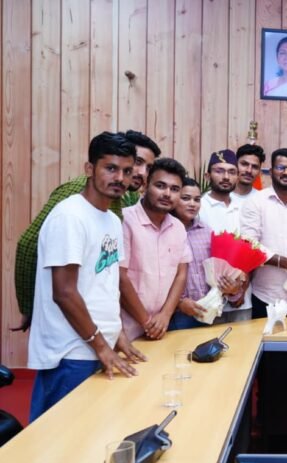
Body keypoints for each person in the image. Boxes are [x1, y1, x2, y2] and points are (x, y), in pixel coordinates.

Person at [27, 132, 146, 422]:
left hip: (97, 346)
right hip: (71, 352)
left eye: (126, 171)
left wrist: (116, 333)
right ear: (89, 169)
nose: (119, 178)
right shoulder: (69, 216)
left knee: (93, 434)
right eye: (111, 168)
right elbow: (64, 292)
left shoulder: (112, 220)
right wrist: (101, 345)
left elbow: (104, 283)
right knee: (58, 438)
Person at [14, 130, 160, 329]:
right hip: (68, 321)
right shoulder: (75, 192)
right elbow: (28, 244)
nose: (141, 172)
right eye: (138, 162)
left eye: (148, 167)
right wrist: (29, 307)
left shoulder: (128, 195)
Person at [119, 158, 192, 341]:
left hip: (161, 328)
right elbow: (120, 278)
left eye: (174, 189)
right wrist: (147, 321)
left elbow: (181, 274)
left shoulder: (177, 227)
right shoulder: (124, 220)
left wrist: (165, 315)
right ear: (145, 186)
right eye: (160, 186)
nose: (167, 194)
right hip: (123, 332)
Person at [240, 148, 287, 317]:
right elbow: (249, 245)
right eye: (281, 168)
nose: (286, 173)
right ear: (270, 171)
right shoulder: (256, 202)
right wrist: (285, 263)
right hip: (265, 296)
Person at [168, 178, 244, 330]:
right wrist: (179, 303)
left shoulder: (206, 232)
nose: (192, 204)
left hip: (208, 312)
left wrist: (233, 288)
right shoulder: (164, 231)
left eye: (197, 199)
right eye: (186, 198)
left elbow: (220, 273)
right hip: (174, 314)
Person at [199, 149, 252, 322]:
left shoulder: (246, 208)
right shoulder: (198, 207)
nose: (226, 177)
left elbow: (252, 250)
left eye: (231, 172)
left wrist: (241, 289)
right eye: (219, 171)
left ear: (237, 177)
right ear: (207, 176)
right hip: (207, 300)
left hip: (241, 300)